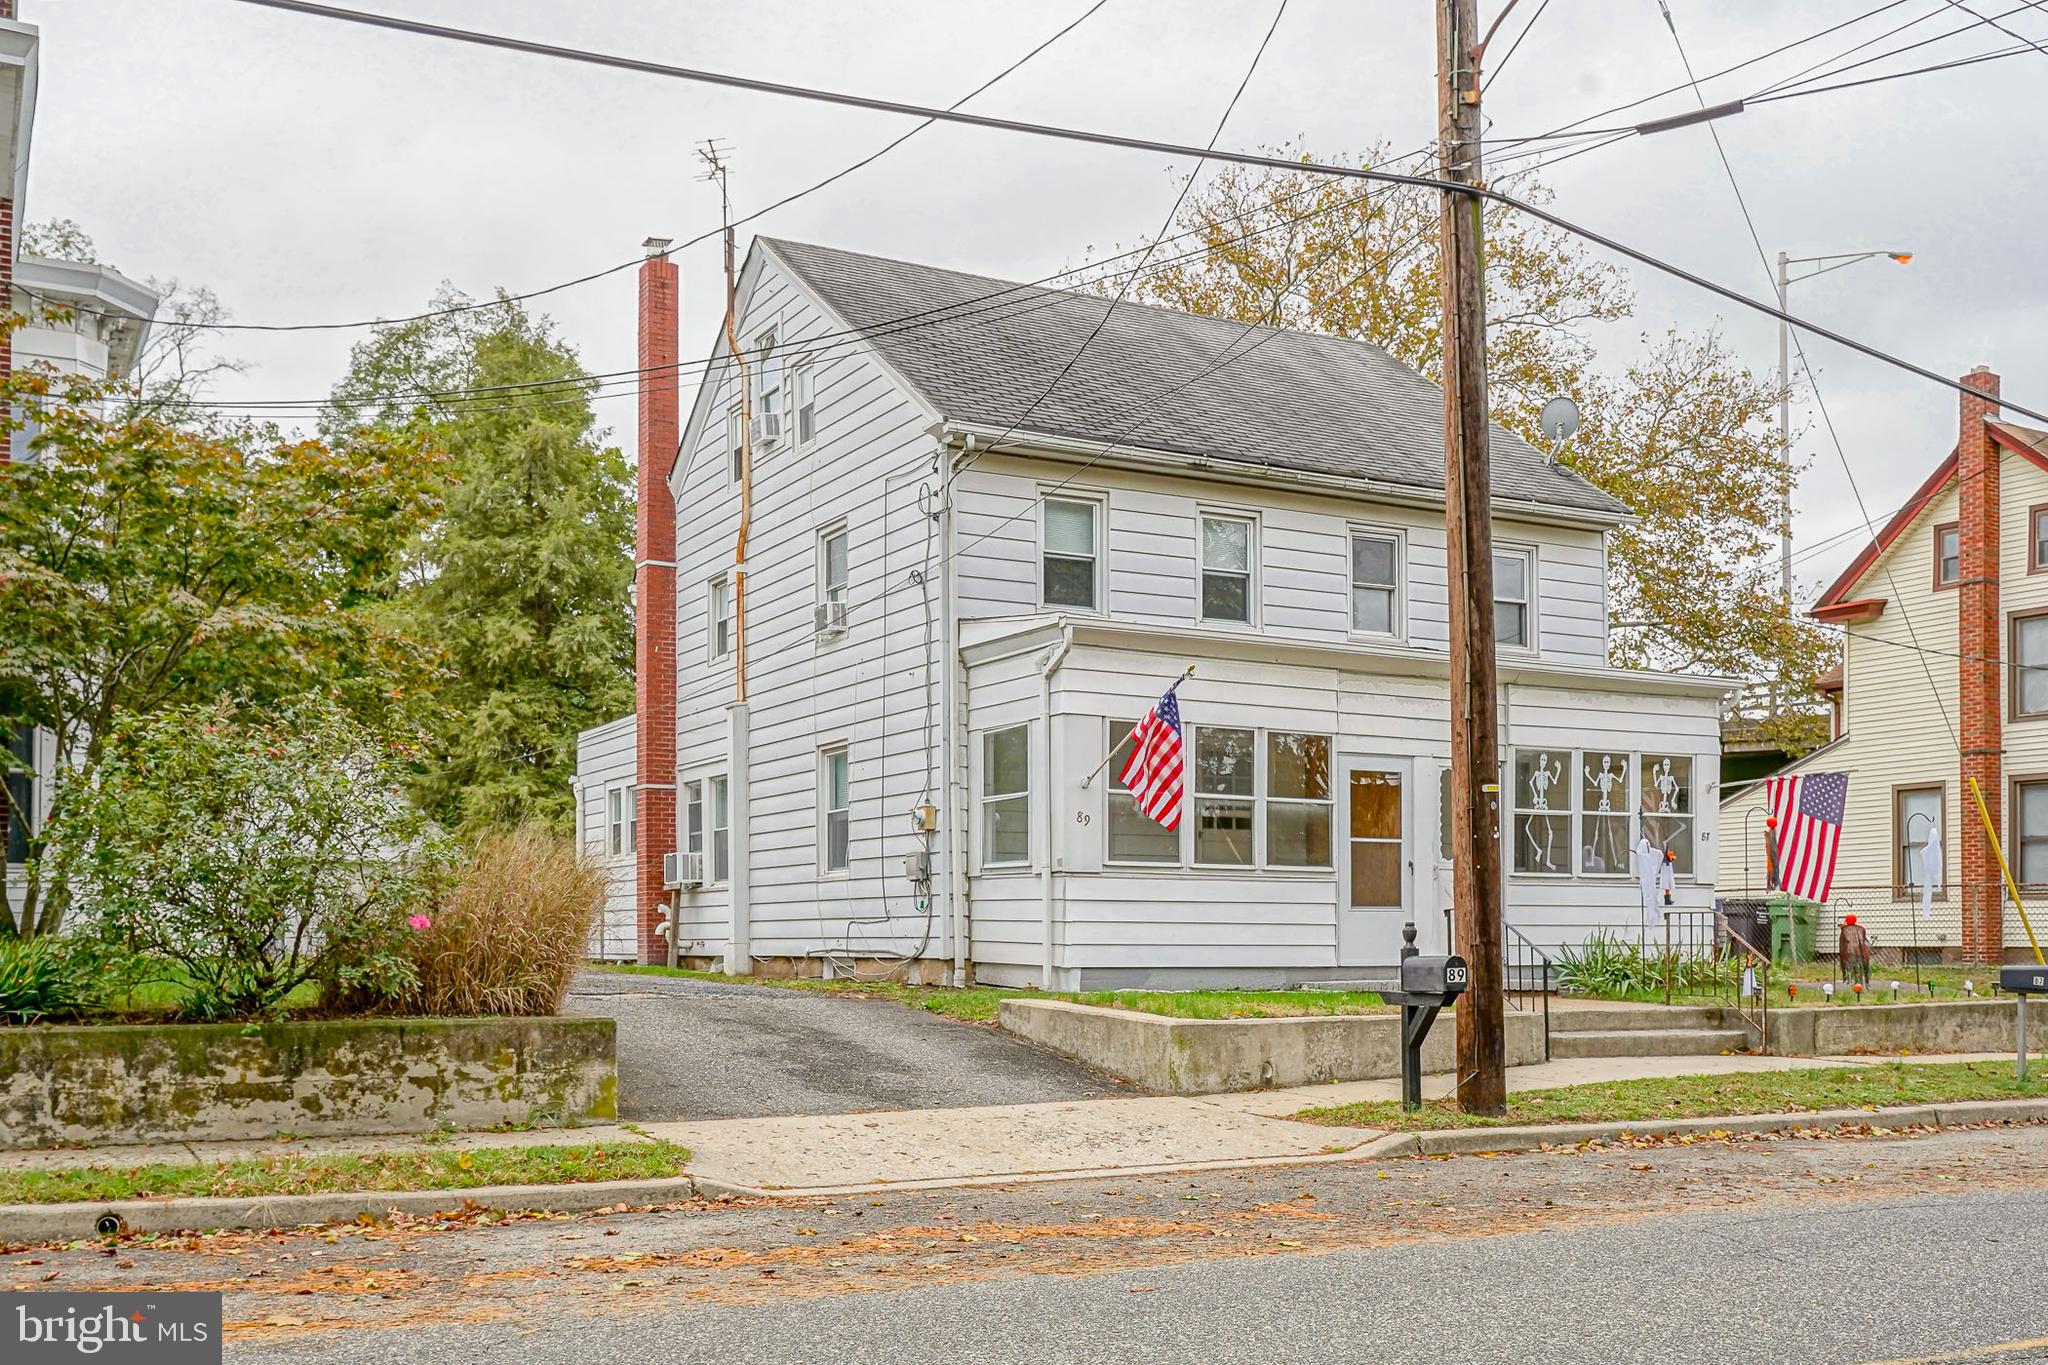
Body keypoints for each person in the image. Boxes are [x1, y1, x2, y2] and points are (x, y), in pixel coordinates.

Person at [1839, 912, 1872, 987]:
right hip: (1861, 952)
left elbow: (1842, 944)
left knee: (1852, 967)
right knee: (1860, 967)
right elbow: (1864, 940)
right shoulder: (1861, 929)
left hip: (1849, 952)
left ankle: (1852, 981)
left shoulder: (1844, 929)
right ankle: (1862, 982)